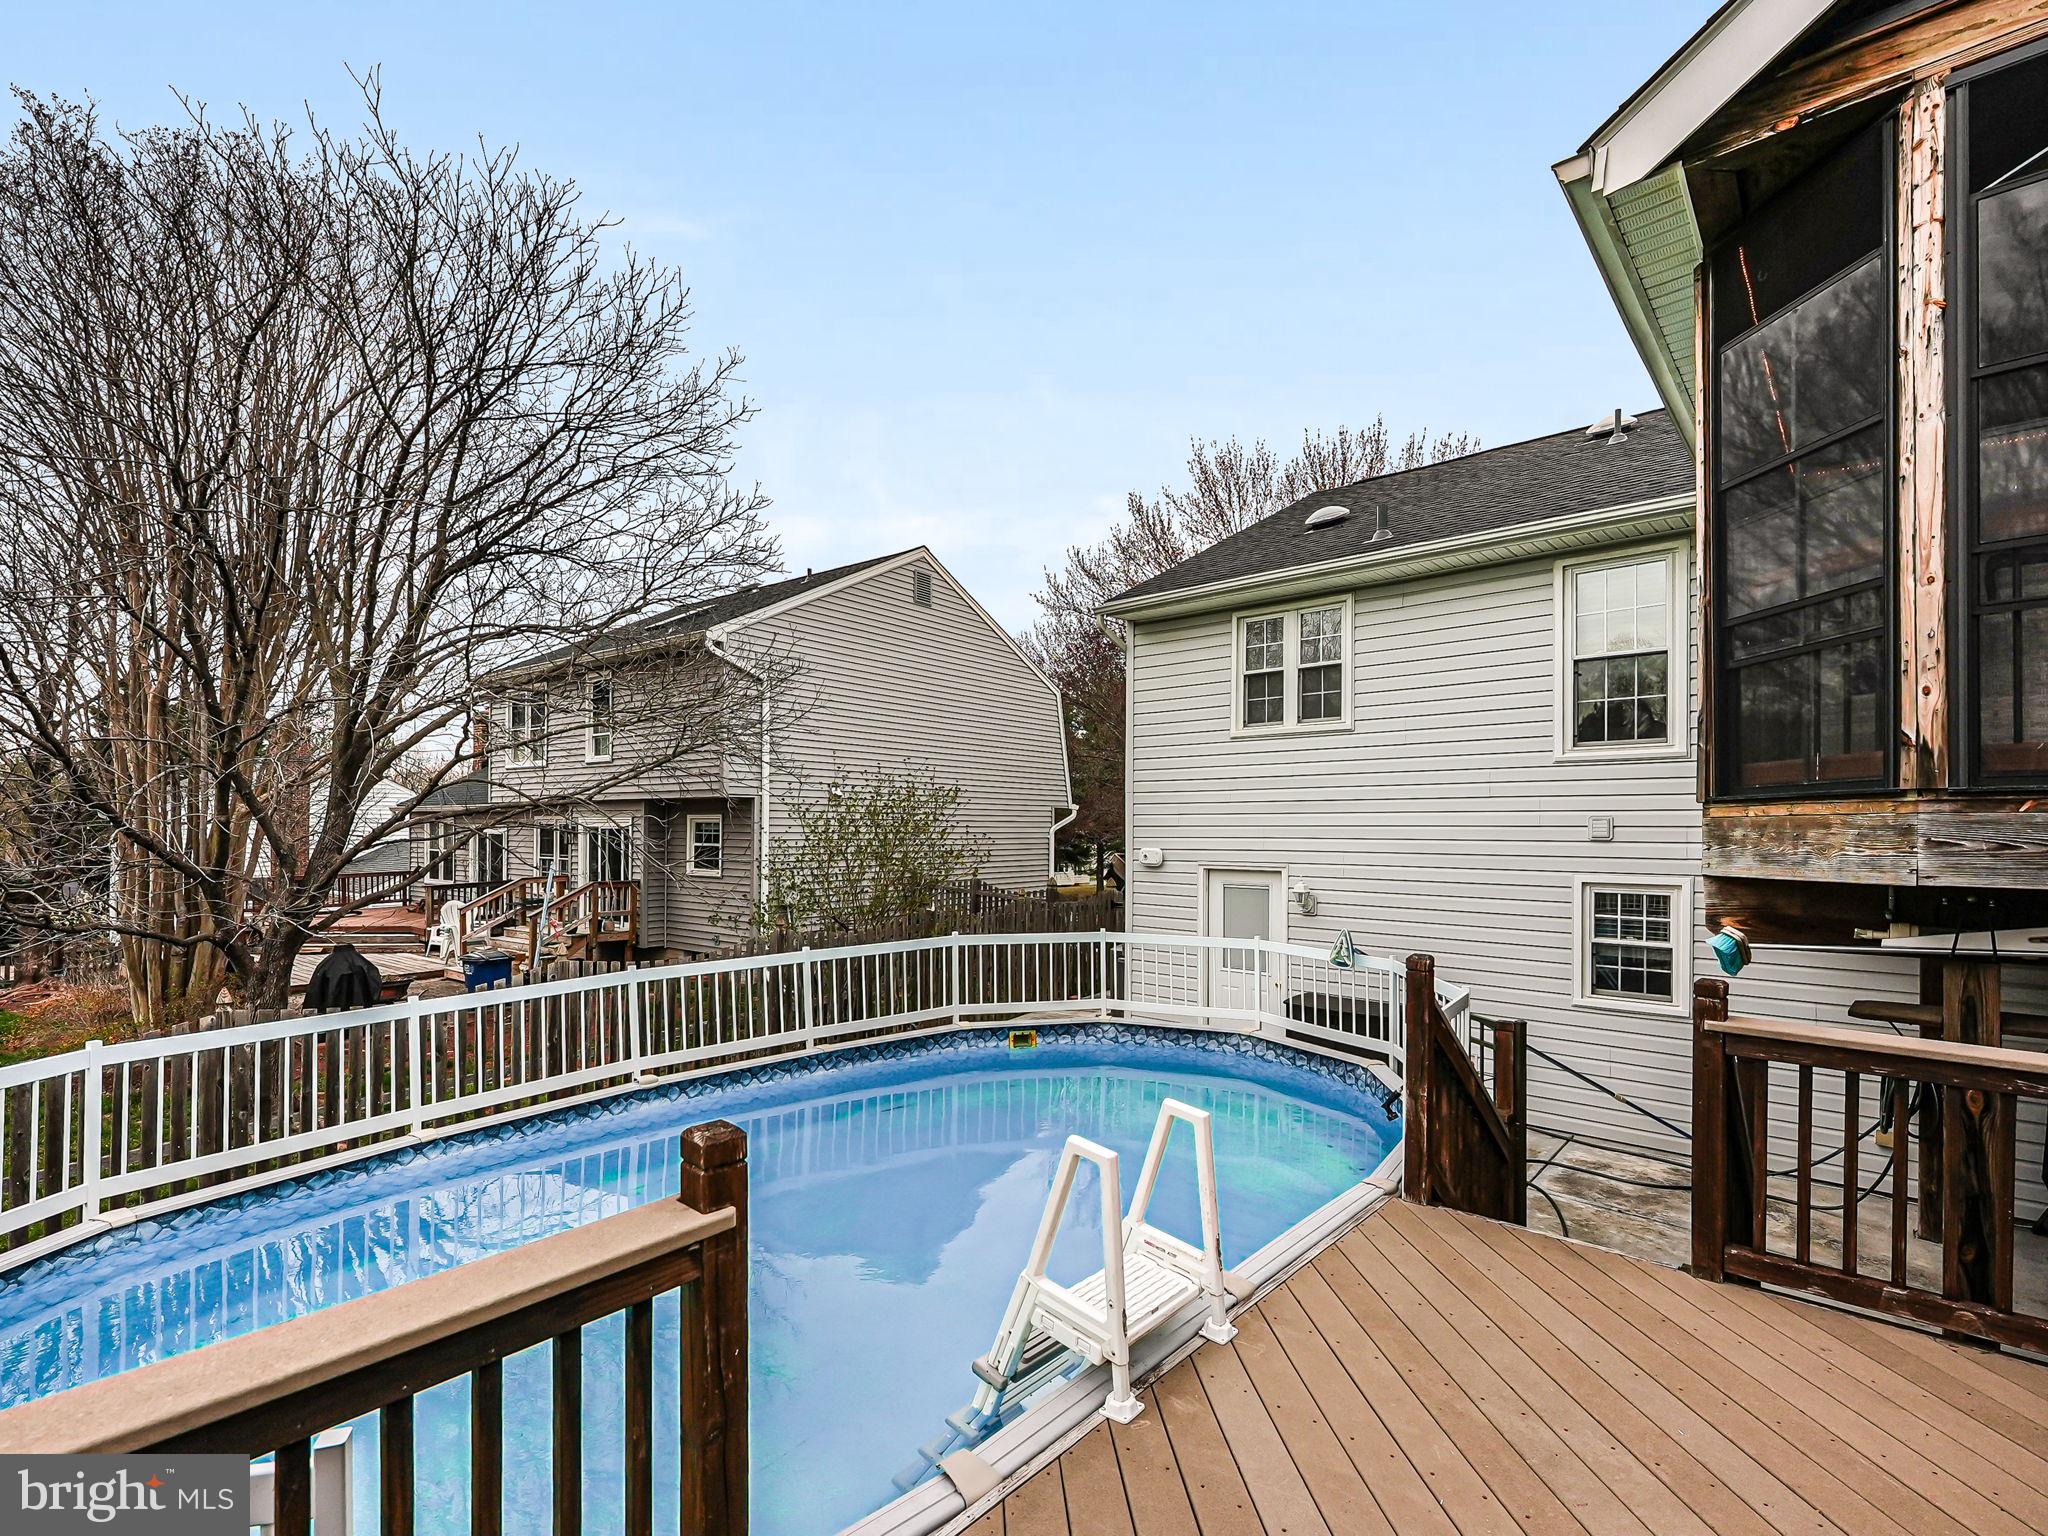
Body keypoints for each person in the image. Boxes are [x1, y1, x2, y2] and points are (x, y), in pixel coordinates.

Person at [302, 942, 383, 1011]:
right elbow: (374, 982)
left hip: (330, 1010)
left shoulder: (325, 965)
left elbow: (315, 989)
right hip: (360, 1008)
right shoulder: (361, 963)